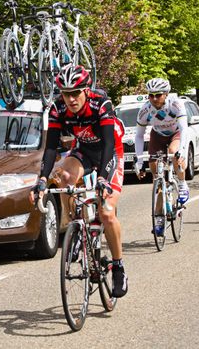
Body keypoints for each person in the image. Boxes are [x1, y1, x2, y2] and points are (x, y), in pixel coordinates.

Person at [28, 64, 128, 298]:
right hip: (83, 150)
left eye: (76, 93)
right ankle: (76, 225)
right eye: (66, 93)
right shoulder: (57, 109)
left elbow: (108, 145)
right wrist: (41, 180)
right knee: (64, 176)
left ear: (86, 90)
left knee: (107, 212)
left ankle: (119, 266)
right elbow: (51, 148)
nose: (71, 99)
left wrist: (103, 178)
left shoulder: (101, 105)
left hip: (110, 152)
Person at [134, 77, 189, 235]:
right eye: (150, 95)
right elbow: (139, 136)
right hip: (157, 136)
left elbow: (184, 129)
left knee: (174, 152)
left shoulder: (176, 104)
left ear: (166, 94)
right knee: (157, 180)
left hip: (175, 134)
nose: (154, 98)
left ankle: (182, 183)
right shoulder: (145, 110)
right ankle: (159, 218)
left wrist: (182, 151)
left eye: (158, 95)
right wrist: (139, 160)